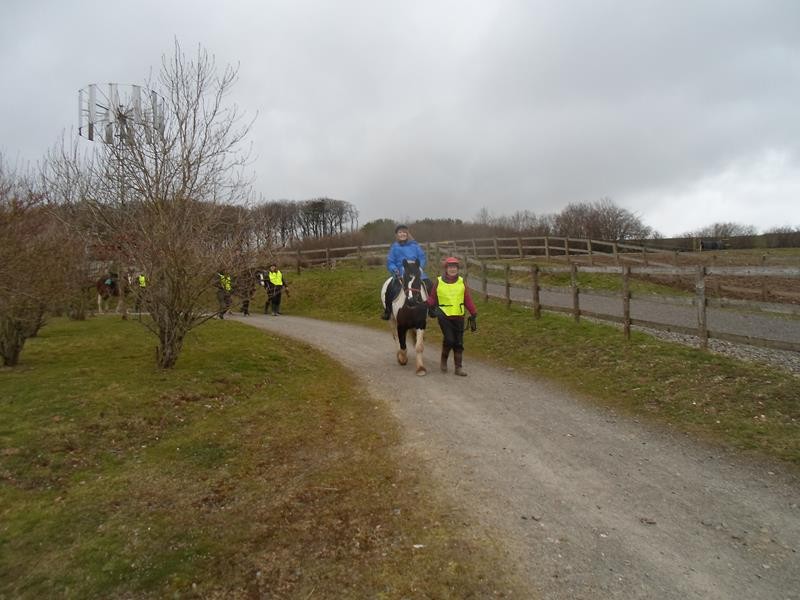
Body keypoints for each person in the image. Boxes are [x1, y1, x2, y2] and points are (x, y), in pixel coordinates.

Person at [426, 256, 477, 376]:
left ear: (457, 269)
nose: (452, 269)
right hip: (444, 315)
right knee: (450, 339)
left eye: (455, 267)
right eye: (450, 267)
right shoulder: (438, 281)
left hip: (459, 315)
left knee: (459, 343)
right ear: (446, 269)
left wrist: (473, 312)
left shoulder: (461, 281)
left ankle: (458, 368)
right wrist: (426, 303)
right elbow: (433, 297)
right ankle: (444, 361)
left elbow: (467, 298)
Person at [381, 224, 429, 320]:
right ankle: (388, 311)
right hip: (401, 273)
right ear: (397, 235)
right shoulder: (394, 247)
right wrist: (395, 270)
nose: (402, 234)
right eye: (400, 232)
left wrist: (419, 267)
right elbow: (390, 262)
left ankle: (432, 308)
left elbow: (422, 257)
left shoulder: (415, 246)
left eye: (404, 232)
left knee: (430, 285)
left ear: (407, 234)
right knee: (390, 288)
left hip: (416, 272)